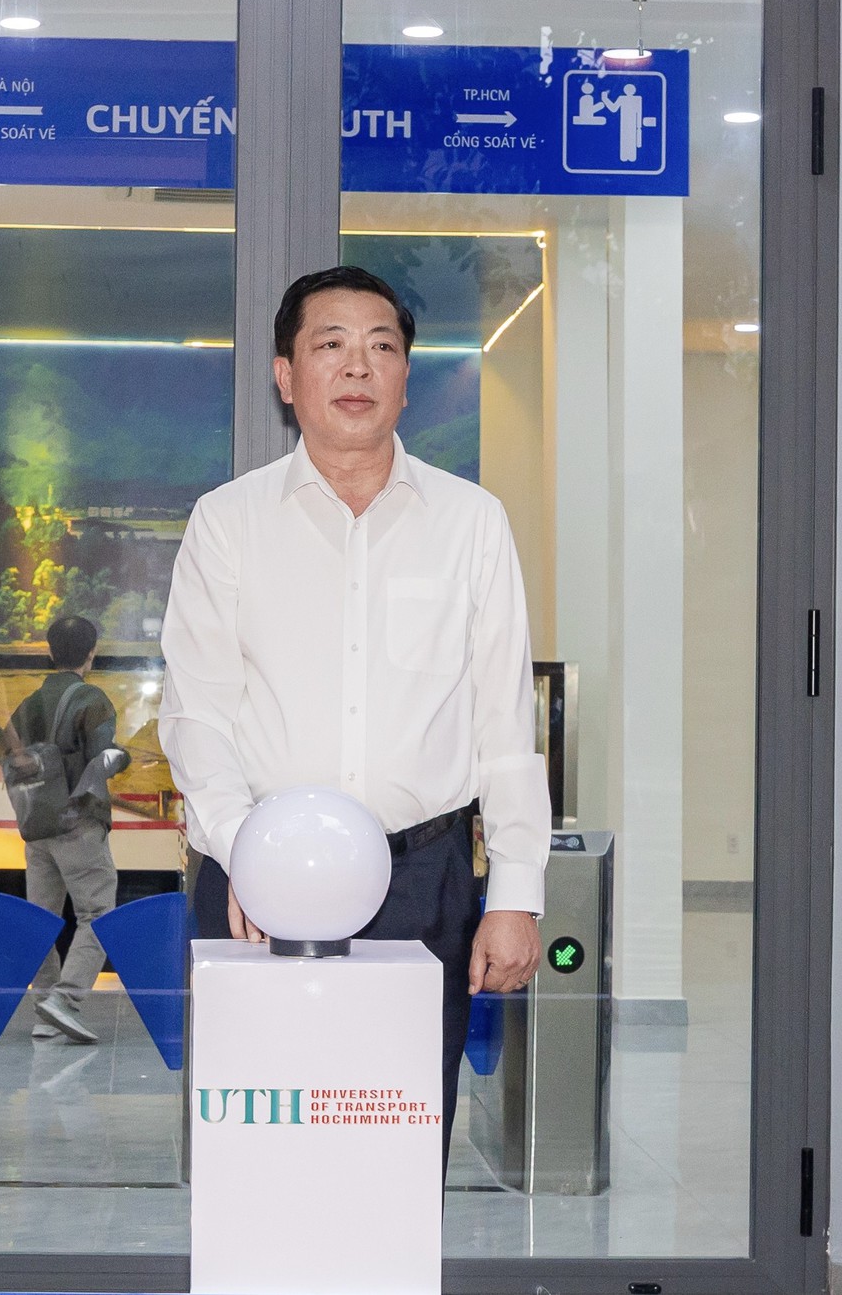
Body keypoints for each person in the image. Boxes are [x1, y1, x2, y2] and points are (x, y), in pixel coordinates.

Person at [158, 264, 548, 1156]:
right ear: (286, 375)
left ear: (406, 375)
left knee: (397, 1159)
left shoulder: (471, 522)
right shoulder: (227, 522)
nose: (357, 366)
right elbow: (196, 716)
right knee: (262, 1154)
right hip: (256, 883)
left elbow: (504, 724)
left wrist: (516, 892)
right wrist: (247, 854)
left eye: (381, 346)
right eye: (329, 345)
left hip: (423, 880)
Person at [6, 613, 123, 1045]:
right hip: (78, 824)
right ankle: (66, 1000)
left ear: (50, 652)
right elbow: (101, 758)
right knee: (98, 915)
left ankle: (45, 1011)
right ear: (92, 653)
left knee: (41, 920)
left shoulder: (28, 704)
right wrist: (122, 757)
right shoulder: (92, 699)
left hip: (37, 826)